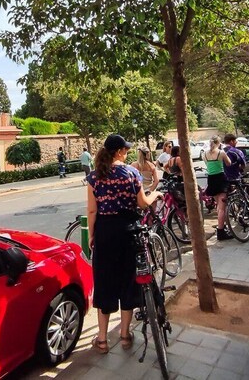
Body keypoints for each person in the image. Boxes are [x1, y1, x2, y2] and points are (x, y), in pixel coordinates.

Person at [87, 134, 163, 354]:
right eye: (125, 149)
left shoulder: (94, 177)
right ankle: (124, 335)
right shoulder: (131, 173)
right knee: (129, 282)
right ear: (119, 152)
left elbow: (92, 210)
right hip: (129, 231)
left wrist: (92, 236)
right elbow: (142, 203)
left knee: (105, 282)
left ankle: (102, 340)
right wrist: (155, 194)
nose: (127, 152)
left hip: (105, 233)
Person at [202, 136, 232, 241]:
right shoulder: (221, 153)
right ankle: (221, 231)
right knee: (222, 207)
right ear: (219, 143)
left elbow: (207, 164)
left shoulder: (204, 154)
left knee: (218, 206)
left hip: (211, 179)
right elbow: (229, 163)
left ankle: (221, 227)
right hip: (221, 178)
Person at [220, 134, 246, 241]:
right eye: (235, 141)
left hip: (223, 180)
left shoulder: (219, 152)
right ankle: (242, 215)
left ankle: (225, 224)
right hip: (235, 178)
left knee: (223, 204)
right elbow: (243, 164)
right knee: (242, 197)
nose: (236, 143)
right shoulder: (236, 151)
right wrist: (239, 169)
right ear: (231, 141)